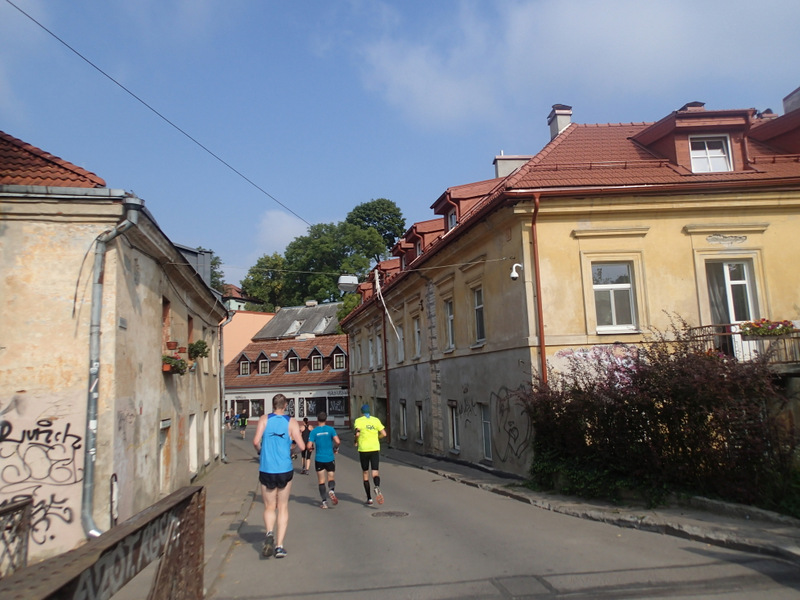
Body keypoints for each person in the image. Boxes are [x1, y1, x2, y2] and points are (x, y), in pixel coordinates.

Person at [253, 394, 305, 559]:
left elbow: (255, 441)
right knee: (282, 506)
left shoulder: (263, 419)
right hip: (284, 469)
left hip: (267, 468)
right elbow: (302, 446)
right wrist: (292, 452)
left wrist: (261, 451)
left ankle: (269, 533)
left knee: (269, 506)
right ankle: (279, 546)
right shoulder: (291, 422)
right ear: (285, 405)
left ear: (273, 405)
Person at [353, 403, 387, 505]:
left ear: (362, 412)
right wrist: (378, 438)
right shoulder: (376, 420)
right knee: (375, 472)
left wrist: (356, 440)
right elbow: (384, 434)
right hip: (374, 448)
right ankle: (377, 486)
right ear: (369, 411)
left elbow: (357, 433)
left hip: (363, 449)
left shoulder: (358, 421)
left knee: (365, 473)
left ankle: (369, 498)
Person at [307, 412, 340, 508]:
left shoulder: (314, 431)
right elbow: (338, 441)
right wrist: (335, 448)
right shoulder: (331, 429)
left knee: (321, 481)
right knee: (331, 477)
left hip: (319, 459)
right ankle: (331, 490)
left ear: (317, 419)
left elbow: (309, 445)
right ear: (326, 419)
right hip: (329, 458)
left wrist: (310, 448)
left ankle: (324, 502)